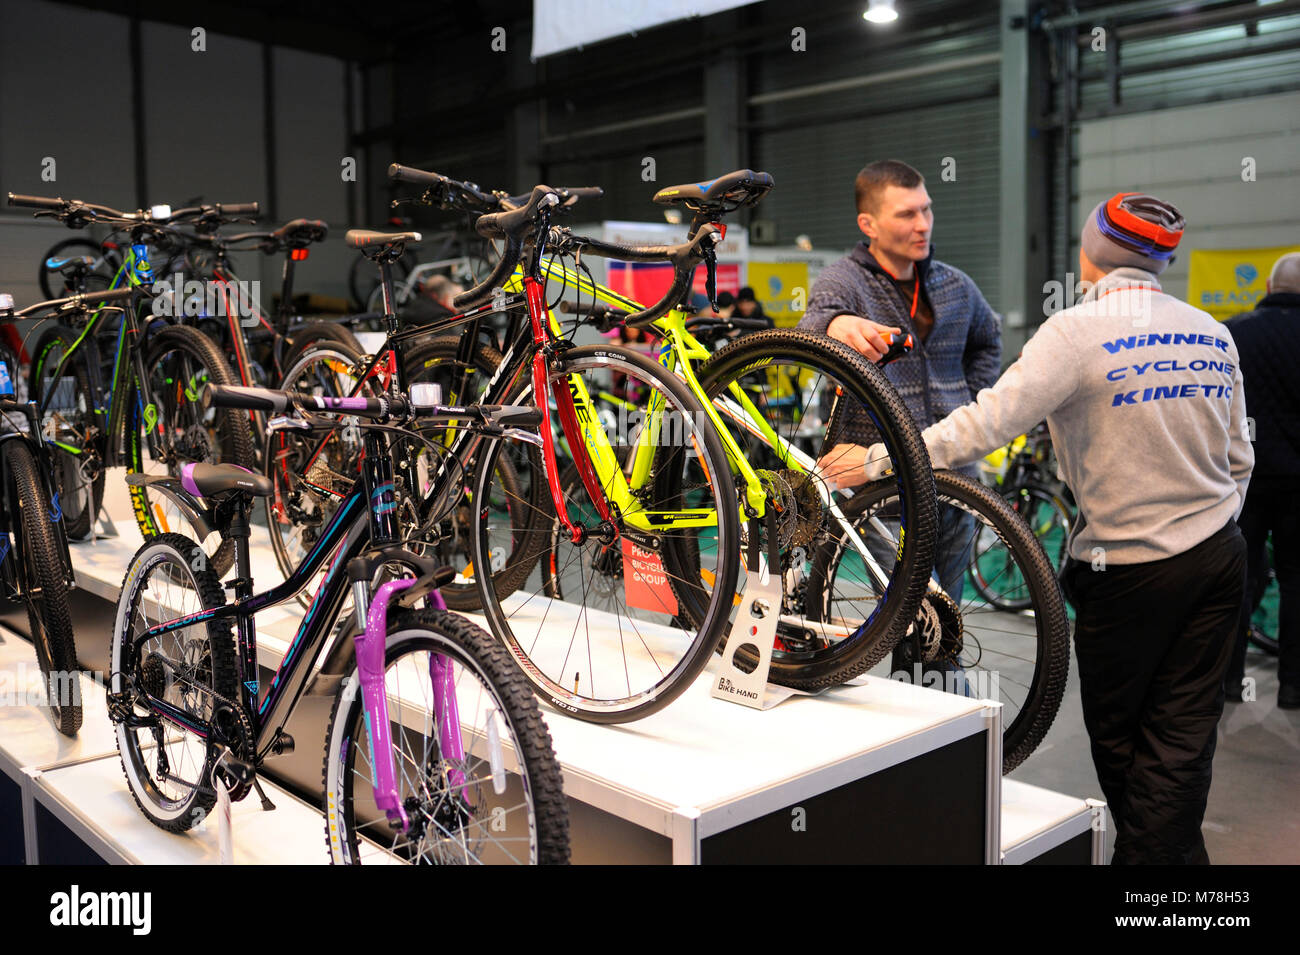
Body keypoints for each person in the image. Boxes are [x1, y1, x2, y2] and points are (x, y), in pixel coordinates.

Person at [822, 192, 1254, 865]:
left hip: (1129, 569)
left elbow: (984, 424)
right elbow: (1239, 459)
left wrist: (878, 458)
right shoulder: (1212, 330)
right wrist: (1211, 525)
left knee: (1122, 738)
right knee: (1184, 738)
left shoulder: (1076, 331)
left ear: (1092, 254)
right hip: (1219, 560)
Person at [799, 158, 1002, 603]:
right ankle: (929, 675)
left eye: (926, 209)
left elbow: (989, 339)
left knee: (946, 622)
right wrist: (836, 324)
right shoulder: (845, 280)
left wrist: (969, 399)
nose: (923, 224)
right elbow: (813, 324)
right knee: (909, 621)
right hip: (880, 490)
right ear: (868, 223)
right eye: (906, 214)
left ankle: (937, 676)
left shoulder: (956, 285)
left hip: (954, 481)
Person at [1223, 251, 1300, 708]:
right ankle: (1292, 686)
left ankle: (1228, 681)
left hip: (1242, 480)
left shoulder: (1234, 332)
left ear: (1268, 289)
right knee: (1296, 580)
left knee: (1240, 577)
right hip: (1299, 483)